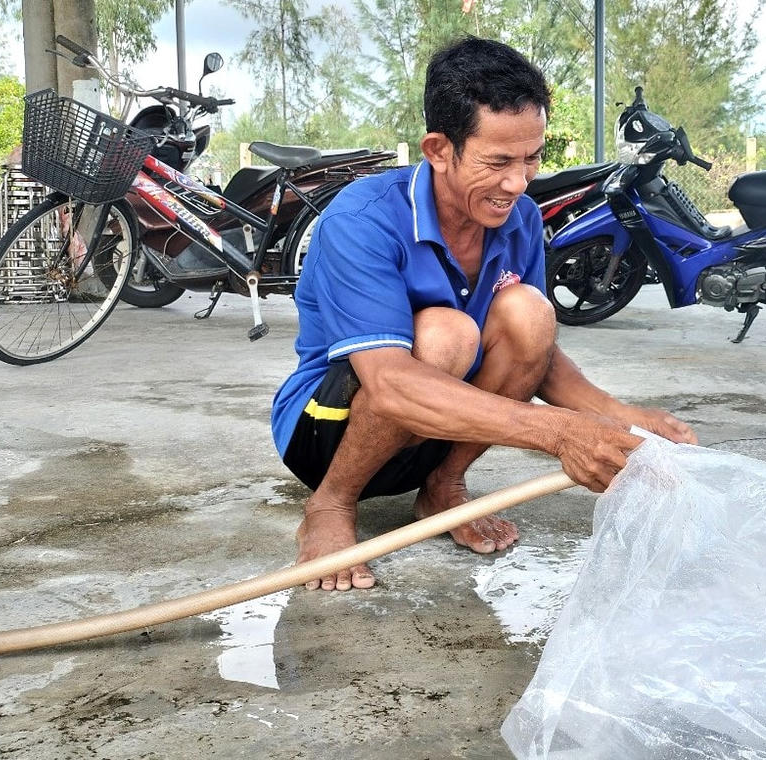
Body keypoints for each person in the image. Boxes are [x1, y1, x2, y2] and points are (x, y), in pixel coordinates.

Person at [270, 36, 696, 591]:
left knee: (530, 314)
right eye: (497, 162)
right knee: (446, 334)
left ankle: (443, 487)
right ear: (439, 149)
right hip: (326, 435)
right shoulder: (362, 219)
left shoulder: (516, 218)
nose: (518, 184)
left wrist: (621, 419)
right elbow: (392, 385)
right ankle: (330, 507)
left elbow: (536, 354)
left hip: (431, 438)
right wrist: (561, 433)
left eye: (532, 157)